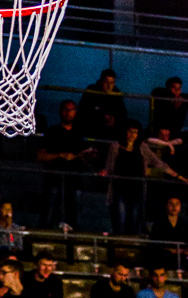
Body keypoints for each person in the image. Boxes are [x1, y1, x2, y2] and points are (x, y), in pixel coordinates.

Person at [100, 120, 186, 235]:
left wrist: (178, 176)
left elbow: (159, 163)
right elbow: (109, 166)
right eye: (130, 131)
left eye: (135, 132)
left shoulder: (142, 147)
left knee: (135, 221)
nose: (132, 135)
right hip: (120, 189)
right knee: (121, 220)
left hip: (137, 190)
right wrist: (104, 172)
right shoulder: (115, 146)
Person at [37, 99, 95, 229]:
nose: (68, 113)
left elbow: (85, 158)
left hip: (74, 180)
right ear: (60, 112)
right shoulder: (52, 131)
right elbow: (40, 156)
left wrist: (86, 156)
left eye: (71, 110)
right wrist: (60, 155)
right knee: (48, 215)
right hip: (54, 179)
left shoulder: (79, 134)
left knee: (75, 218)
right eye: (65, 109)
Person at [77, 69, 127, 139]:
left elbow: (122, 111)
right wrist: (102, 118)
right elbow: (84, 110)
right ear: (101, 81)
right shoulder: (92, 90)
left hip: (111, 129)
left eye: (112, 82)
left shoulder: (116, 93)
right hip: (93, 126)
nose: (109, 86)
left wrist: (115, 119)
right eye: (106, 82)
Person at [149, 196, 188, 271]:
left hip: (181, 255)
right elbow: (154, 243)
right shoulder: (159, 222)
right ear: (166, 206)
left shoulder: (184, 223)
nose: (174, 207)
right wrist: (172, 250)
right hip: (164, 255)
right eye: (171, 204)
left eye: (177, 204)